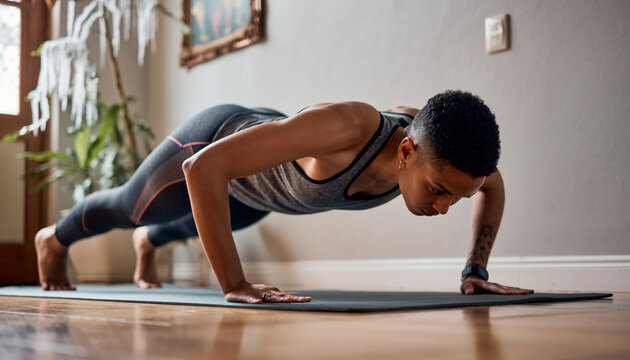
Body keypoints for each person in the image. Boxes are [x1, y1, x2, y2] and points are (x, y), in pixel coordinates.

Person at [35, 90, 534, 304]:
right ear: (405, 151)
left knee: (233, 217)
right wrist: (234, 282)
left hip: (263, 191)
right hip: (212, 141)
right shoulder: (350, 126)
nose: (443, 206)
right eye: (440, 192)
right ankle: (52, 240)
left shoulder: (436, 150)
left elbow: (492, 183)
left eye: (455, 199)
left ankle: (151, 242)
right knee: (129, 205)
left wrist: (475, 271)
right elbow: (202, 168)